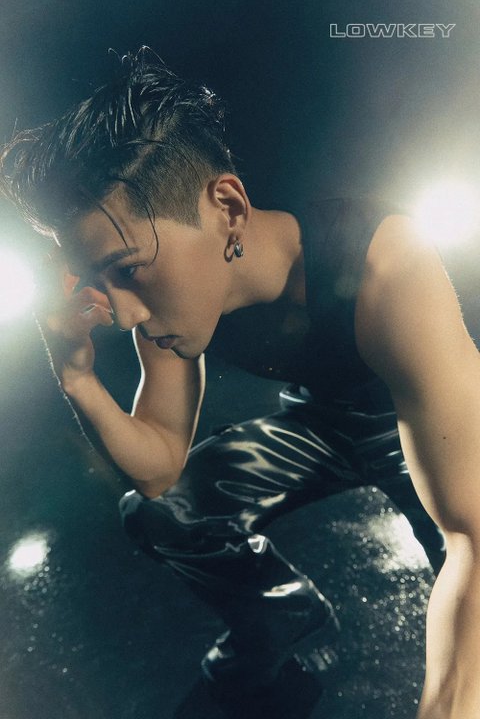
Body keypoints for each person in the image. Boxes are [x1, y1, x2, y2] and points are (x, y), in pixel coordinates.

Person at [1, 50, 479, 717]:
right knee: (159, 513)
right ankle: (278, 615)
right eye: (100, 278)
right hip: (317, 427)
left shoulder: (385, 260)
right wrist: (76, 377)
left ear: (226, 207)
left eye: (127, 270)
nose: (122, 313)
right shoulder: (167, 304)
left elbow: (474, 535)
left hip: (412, 428)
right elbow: (159, 470)